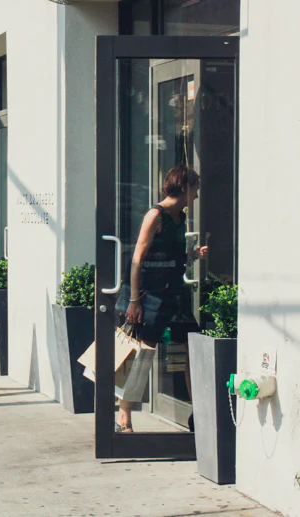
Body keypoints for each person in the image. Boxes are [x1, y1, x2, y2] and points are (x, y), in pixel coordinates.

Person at [120, 165, 208, 433]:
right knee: (144, 352)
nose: (195, 197)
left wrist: (192, 255)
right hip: (151, 295)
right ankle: (124, 414)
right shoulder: (155, 215)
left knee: (193, 347)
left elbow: (171, 254)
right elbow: (138, 259)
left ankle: (199, 413)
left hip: (174, 294)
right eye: (194, 190)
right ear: (184, 188)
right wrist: (134, 300)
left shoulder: (180, 217)